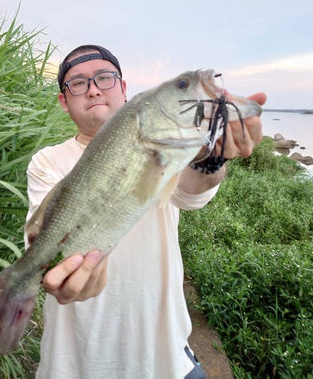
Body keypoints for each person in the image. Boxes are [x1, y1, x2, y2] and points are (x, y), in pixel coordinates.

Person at [25, 45, 266, 379]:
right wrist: (57, 277)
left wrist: (214, 156)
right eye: (77, 83)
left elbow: (190, 193)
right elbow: (42, 238)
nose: (93, 88)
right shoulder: (46, 161)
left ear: (124, 89)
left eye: (104, 78)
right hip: (76, 363)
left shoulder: (170, 145)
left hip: (167, 359)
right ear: (64, 102)